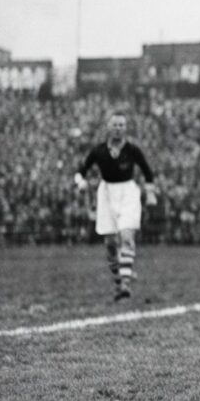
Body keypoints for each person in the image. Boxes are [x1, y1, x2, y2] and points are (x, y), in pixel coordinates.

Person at [75, 113, 157, 301]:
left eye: (122, 124)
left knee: (127, 235)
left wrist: (150, 192)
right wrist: (80, 182)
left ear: (125, 128)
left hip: (128, 192)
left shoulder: (132, 150)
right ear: (108, 127)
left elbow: (147, 172)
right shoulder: (99, 151)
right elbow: (81, 170)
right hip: (106, 194)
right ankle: (120, 278)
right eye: (115, 124)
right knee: (110, 243)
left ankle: (125, 284)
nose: (118, 128)